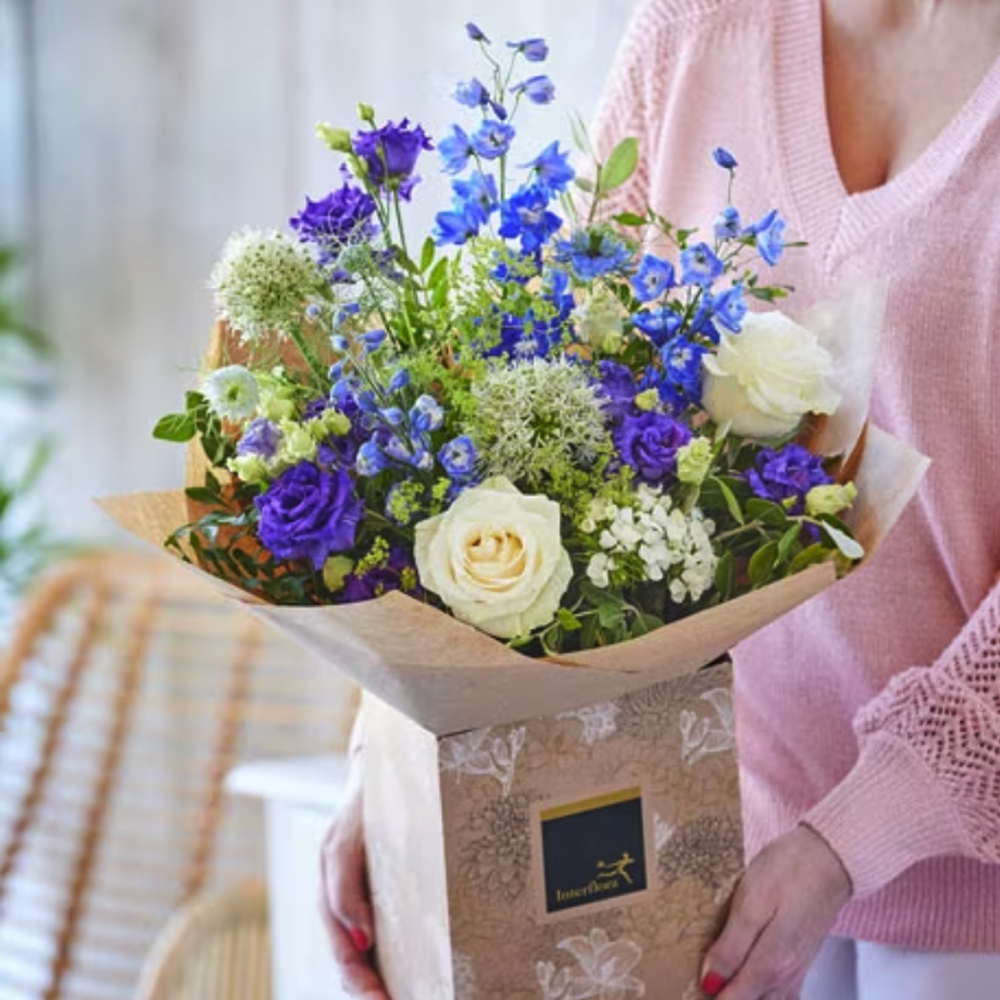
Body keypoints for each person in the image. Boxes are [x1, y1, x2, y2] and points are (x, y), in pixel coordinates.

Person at [320, 0, 1000, 997]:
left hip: (966, 923)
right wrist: (388, 762)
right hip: (693, 870)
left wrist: (856, 830)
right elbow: (535, 431)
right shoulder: (692, 33)